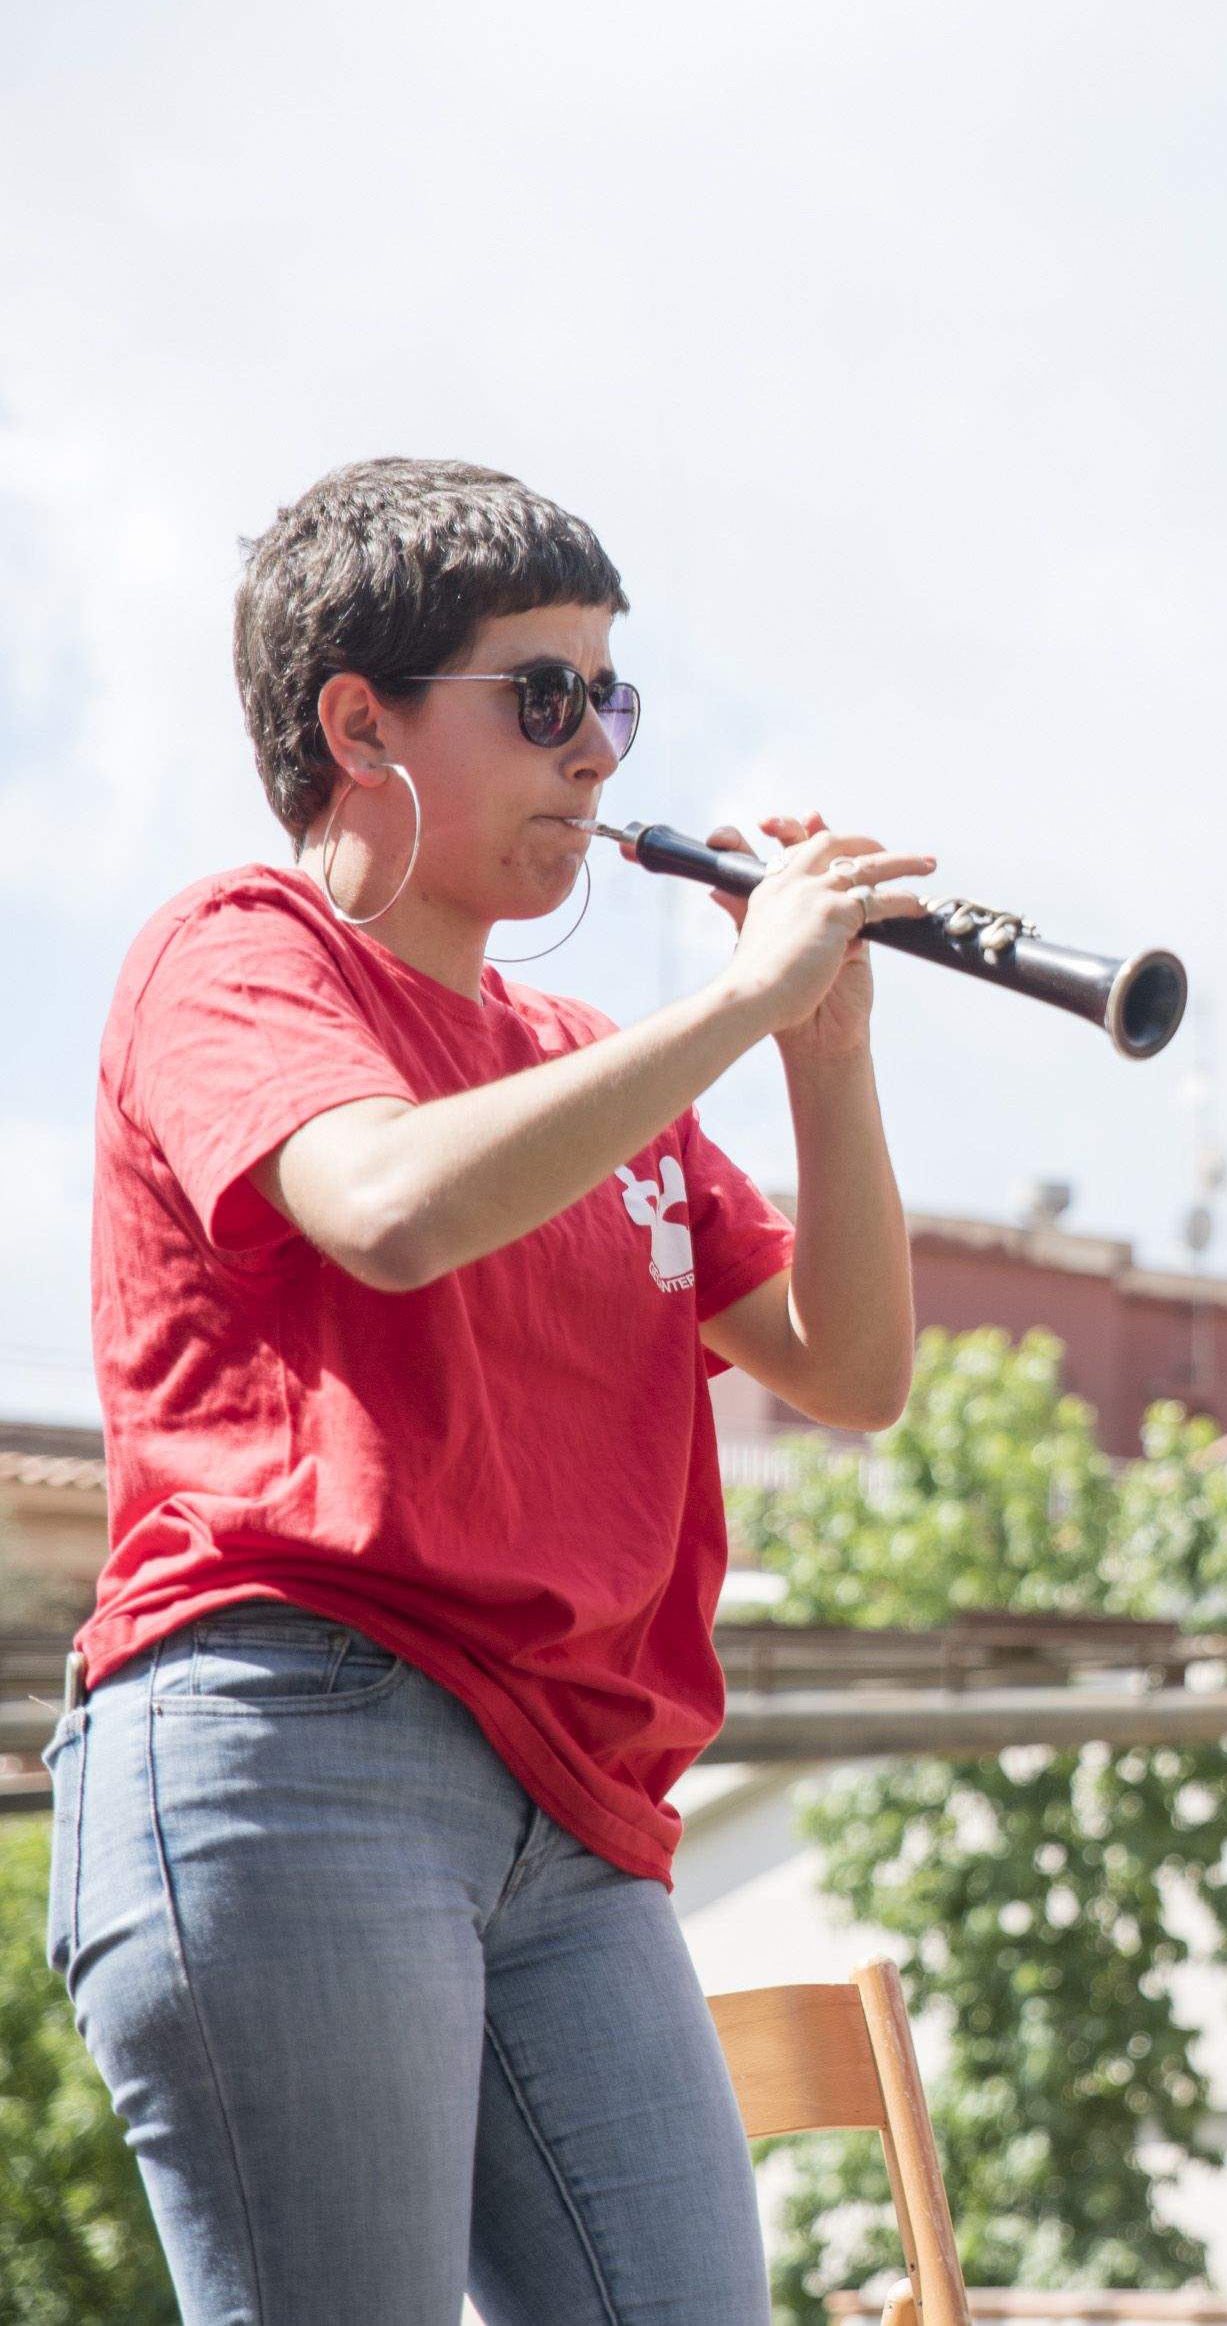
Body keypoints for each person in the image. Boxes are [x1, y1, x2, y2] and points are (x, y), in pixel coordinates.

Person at [47, 456, 932, 2324]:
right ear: (356, 720)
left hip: (576, 1809)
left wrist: (826, 1054)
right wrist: (738, 1007)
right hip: (294, 1747)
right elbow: (384, 1202)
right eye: (542, 697)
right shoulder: (237, 956)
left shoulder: (584, 1061)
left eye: (614, 695)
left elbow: (854, 1374)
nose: (599, 752)